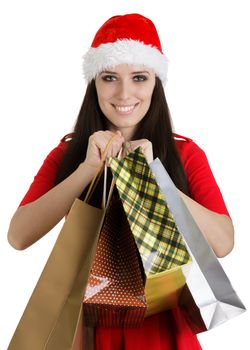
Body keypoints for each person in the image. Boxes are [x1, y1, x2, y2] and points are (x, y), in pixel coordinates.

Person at [7, 13, 234, 350]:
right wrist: (87, 168)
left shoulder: (185, 154)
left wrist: (158, 174)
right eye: (110, 77)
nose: (125, 93)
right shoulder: (69, 154)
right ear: (94, 84)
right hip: (89, 329)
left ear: (155, 81)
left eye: (139, 77)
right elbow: (18, 236)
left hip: (163, 326)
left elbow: (223, 243)